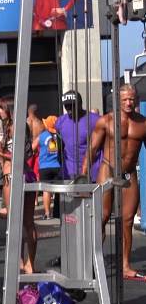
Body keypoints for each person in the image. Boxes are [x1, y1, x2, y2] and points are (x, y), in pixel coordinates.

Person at [83, 84, 146, 280]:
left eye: (132, 99)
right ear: (118, 100)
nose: (129, 102)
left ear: (136, 99)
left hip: (128, 174)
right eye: (125, 99)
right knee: (101, 217)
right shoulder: (106, 121)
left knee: (127, 220)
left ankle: (125, 265)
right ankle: (91, 263)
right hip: (107, 170)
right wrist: (83, 175)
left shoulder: (143, 123)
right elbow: (92, 149)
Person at [0, 97, 38, 273]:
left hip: (14, 175)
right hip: (21, 175)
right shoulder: (16, 126)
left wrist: (0, 153)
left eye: (2, 109)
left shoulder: (15, 127)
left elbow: (22, 155)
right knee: (26, 222)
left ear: (9, 110)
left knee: (18, 222)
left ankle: (24, 262)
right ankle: (27, 263)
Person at [56, 90, 102, 181]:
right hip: (69, 172)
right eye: (66, 106)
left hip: (92, 172)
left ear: (80, 104)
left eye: (71, 105)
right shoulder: (60, 122)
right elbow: (60, 148)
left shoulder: (96, 120)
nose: (68, 109)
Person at [36, 115, 62, 220]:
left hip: (45, 167)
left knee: (46, 190)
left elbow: (32, 147)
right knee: (59, 190)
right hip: (57, 166)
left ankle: (47, 213)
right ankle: (59, 212)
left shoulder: (43, 136)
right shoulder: (60, 136)